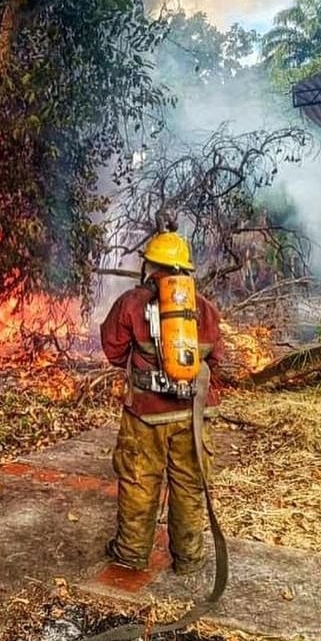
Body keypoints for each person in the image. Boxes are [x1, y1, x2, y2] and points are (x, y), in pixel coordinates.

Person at [100, 230, 224, 576]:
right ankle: (188, 560)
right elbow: (217, 360)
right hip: (194, 415)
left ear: (150, 265)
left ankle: (131, 556)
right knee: (189, 484)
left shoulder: (131, 302)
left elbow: (112, 351)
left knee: (140, 482)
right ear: (185, 269)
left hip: (146, 415)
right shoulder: (205, 308)